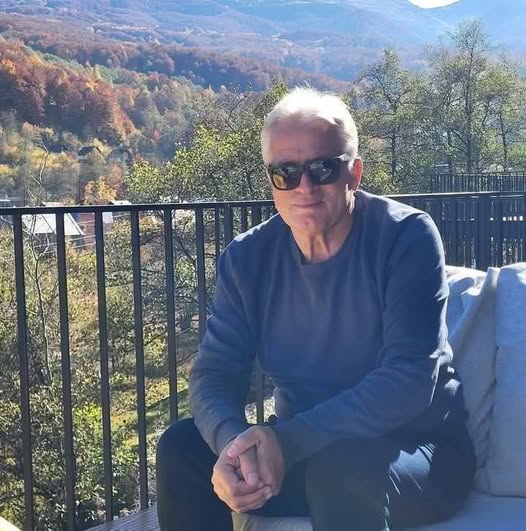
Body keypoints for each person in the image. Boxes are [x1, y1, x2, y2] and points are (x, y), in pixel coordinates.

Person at [156, 87, 475, 531]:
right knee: (181, 447)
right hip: (306, 449)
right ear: (271, 181)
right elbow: (214, 373)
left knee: (341, 470)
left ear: (354, 173)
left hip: (416, 450)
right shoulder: (248, 259)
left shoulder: (406, 237)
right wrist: (235, 446)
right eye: (286, 172)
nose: (304, 187)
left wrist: (286, 441)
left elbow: (408, 380)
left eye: (323, 168)